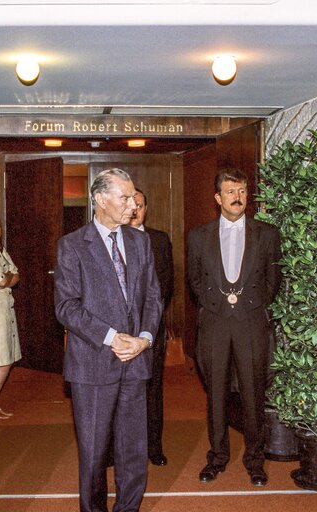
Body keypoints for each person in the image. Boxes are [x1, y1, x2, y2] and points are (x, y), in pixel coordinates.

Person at [54, 168, 163, 512]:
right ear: (100, 199)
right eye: (125, 197)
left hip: (136, 363)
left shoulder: (140, 241)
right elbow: (66, 307)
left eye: (133, 198)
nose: (133, 204)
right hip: (93, 365)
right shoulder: (72, 246)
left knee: (133, 450)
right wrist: (112, 337)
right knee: (94, 452)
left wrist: (144, 339)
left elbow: (153, 297)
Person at [187, 169, 282, 487]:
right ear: (218, 198)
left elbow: (273, 282)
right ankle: (217, 458)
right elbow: (195, 280)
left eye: (241, 190)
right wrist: (218, 305)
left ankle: (256, 461)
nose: (237, 197)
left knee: (254, 394)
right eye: (230, 191)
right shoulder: (199, 235)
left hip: (251, 323)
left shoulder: (267, 234)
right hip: (214, 323)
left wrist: (248, 305)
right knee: (215, 394)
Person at [129, 188, 173, 466]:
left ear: (146, 209)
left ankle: (153, 447)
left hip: (151, 328)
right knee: (119, 392)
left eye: (140, 205)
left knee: (153, 389)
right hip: (118, 332)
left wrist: (148, 323)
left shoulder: (159, 240)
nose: (134, 210)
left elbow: (166, 285)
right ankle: (115, 449)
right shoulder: (111, 238)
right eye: (130, 204)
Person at [0, 210, 23, 419]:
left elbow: (15, 274)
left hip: (7, 306)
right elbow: (0, 280)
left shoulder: (0, 250)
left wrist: (8, 276)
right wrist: (8, 276)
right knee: (1, 358)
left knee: (7, 358)